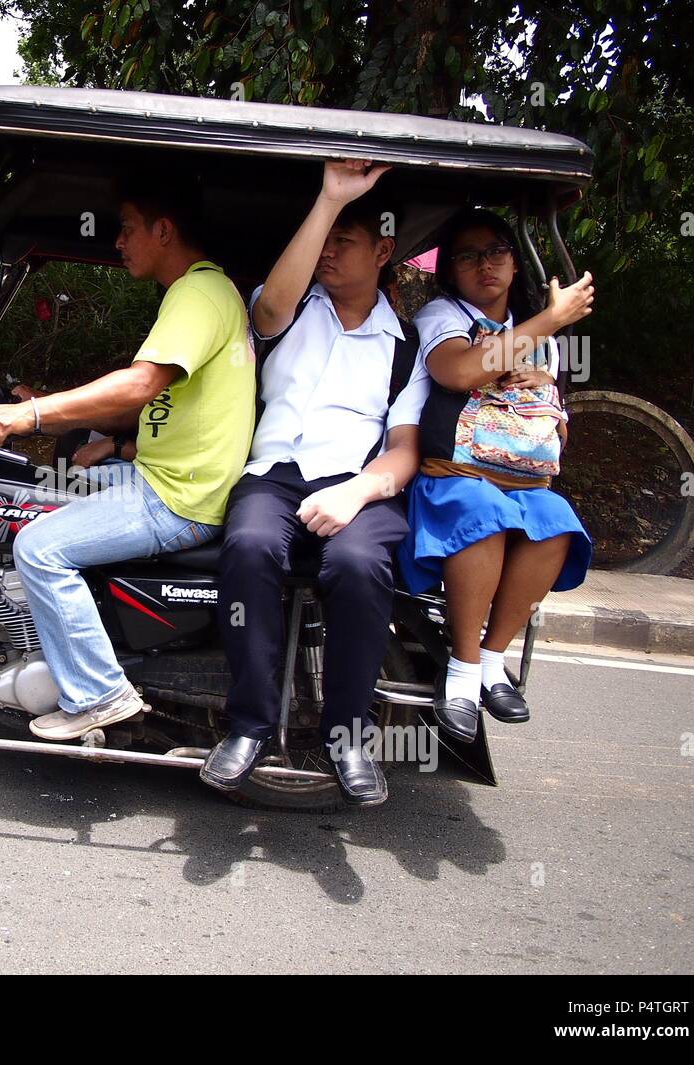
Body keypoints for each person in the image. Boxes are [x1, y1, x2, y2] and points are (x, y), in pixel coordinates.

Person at [0, 179, 256, 742]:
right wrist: (42, 407)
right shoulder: (200, 292)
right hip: (163, 477)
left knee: (38, 547)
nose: (117, 241)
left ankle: (99, 693)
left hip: (174, 496)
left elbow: (139, 385)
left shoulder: (198, 293)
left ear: (163, 231)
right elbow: (152, 401)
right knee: (35, 486)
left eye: (126, 227)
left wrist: (33, 415)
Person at [201, 159, 429, 807]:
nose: (328, 253)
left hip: (357, 486)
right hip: (272, 476)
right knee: (246, 546)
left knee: (359, 564)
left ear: (383, 252)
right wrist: (330, 200)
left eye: (344, 242)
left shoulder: (405, 347)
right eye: (324, 241)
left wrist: (354, 492)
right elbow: (268, 310)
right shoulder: (295, 304)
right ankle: (247, 725)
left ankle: (348, 736)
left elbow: (404, 451)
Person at [399, 208, 594, 742]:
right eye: (468, 255)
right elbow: (459, 370)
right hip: (453, 477)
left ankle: (491, 659)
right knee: (481, 512)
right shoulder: (443, 316)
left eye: (497, 252)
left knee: (557, 519)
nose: (485, 264)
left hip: (524, 483)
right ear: (450, 270)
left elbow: (549, 428)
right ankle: (461, 675)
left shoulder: (536, 335)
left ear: (513, 263)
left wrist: (537, 385)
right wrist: (550, 322)